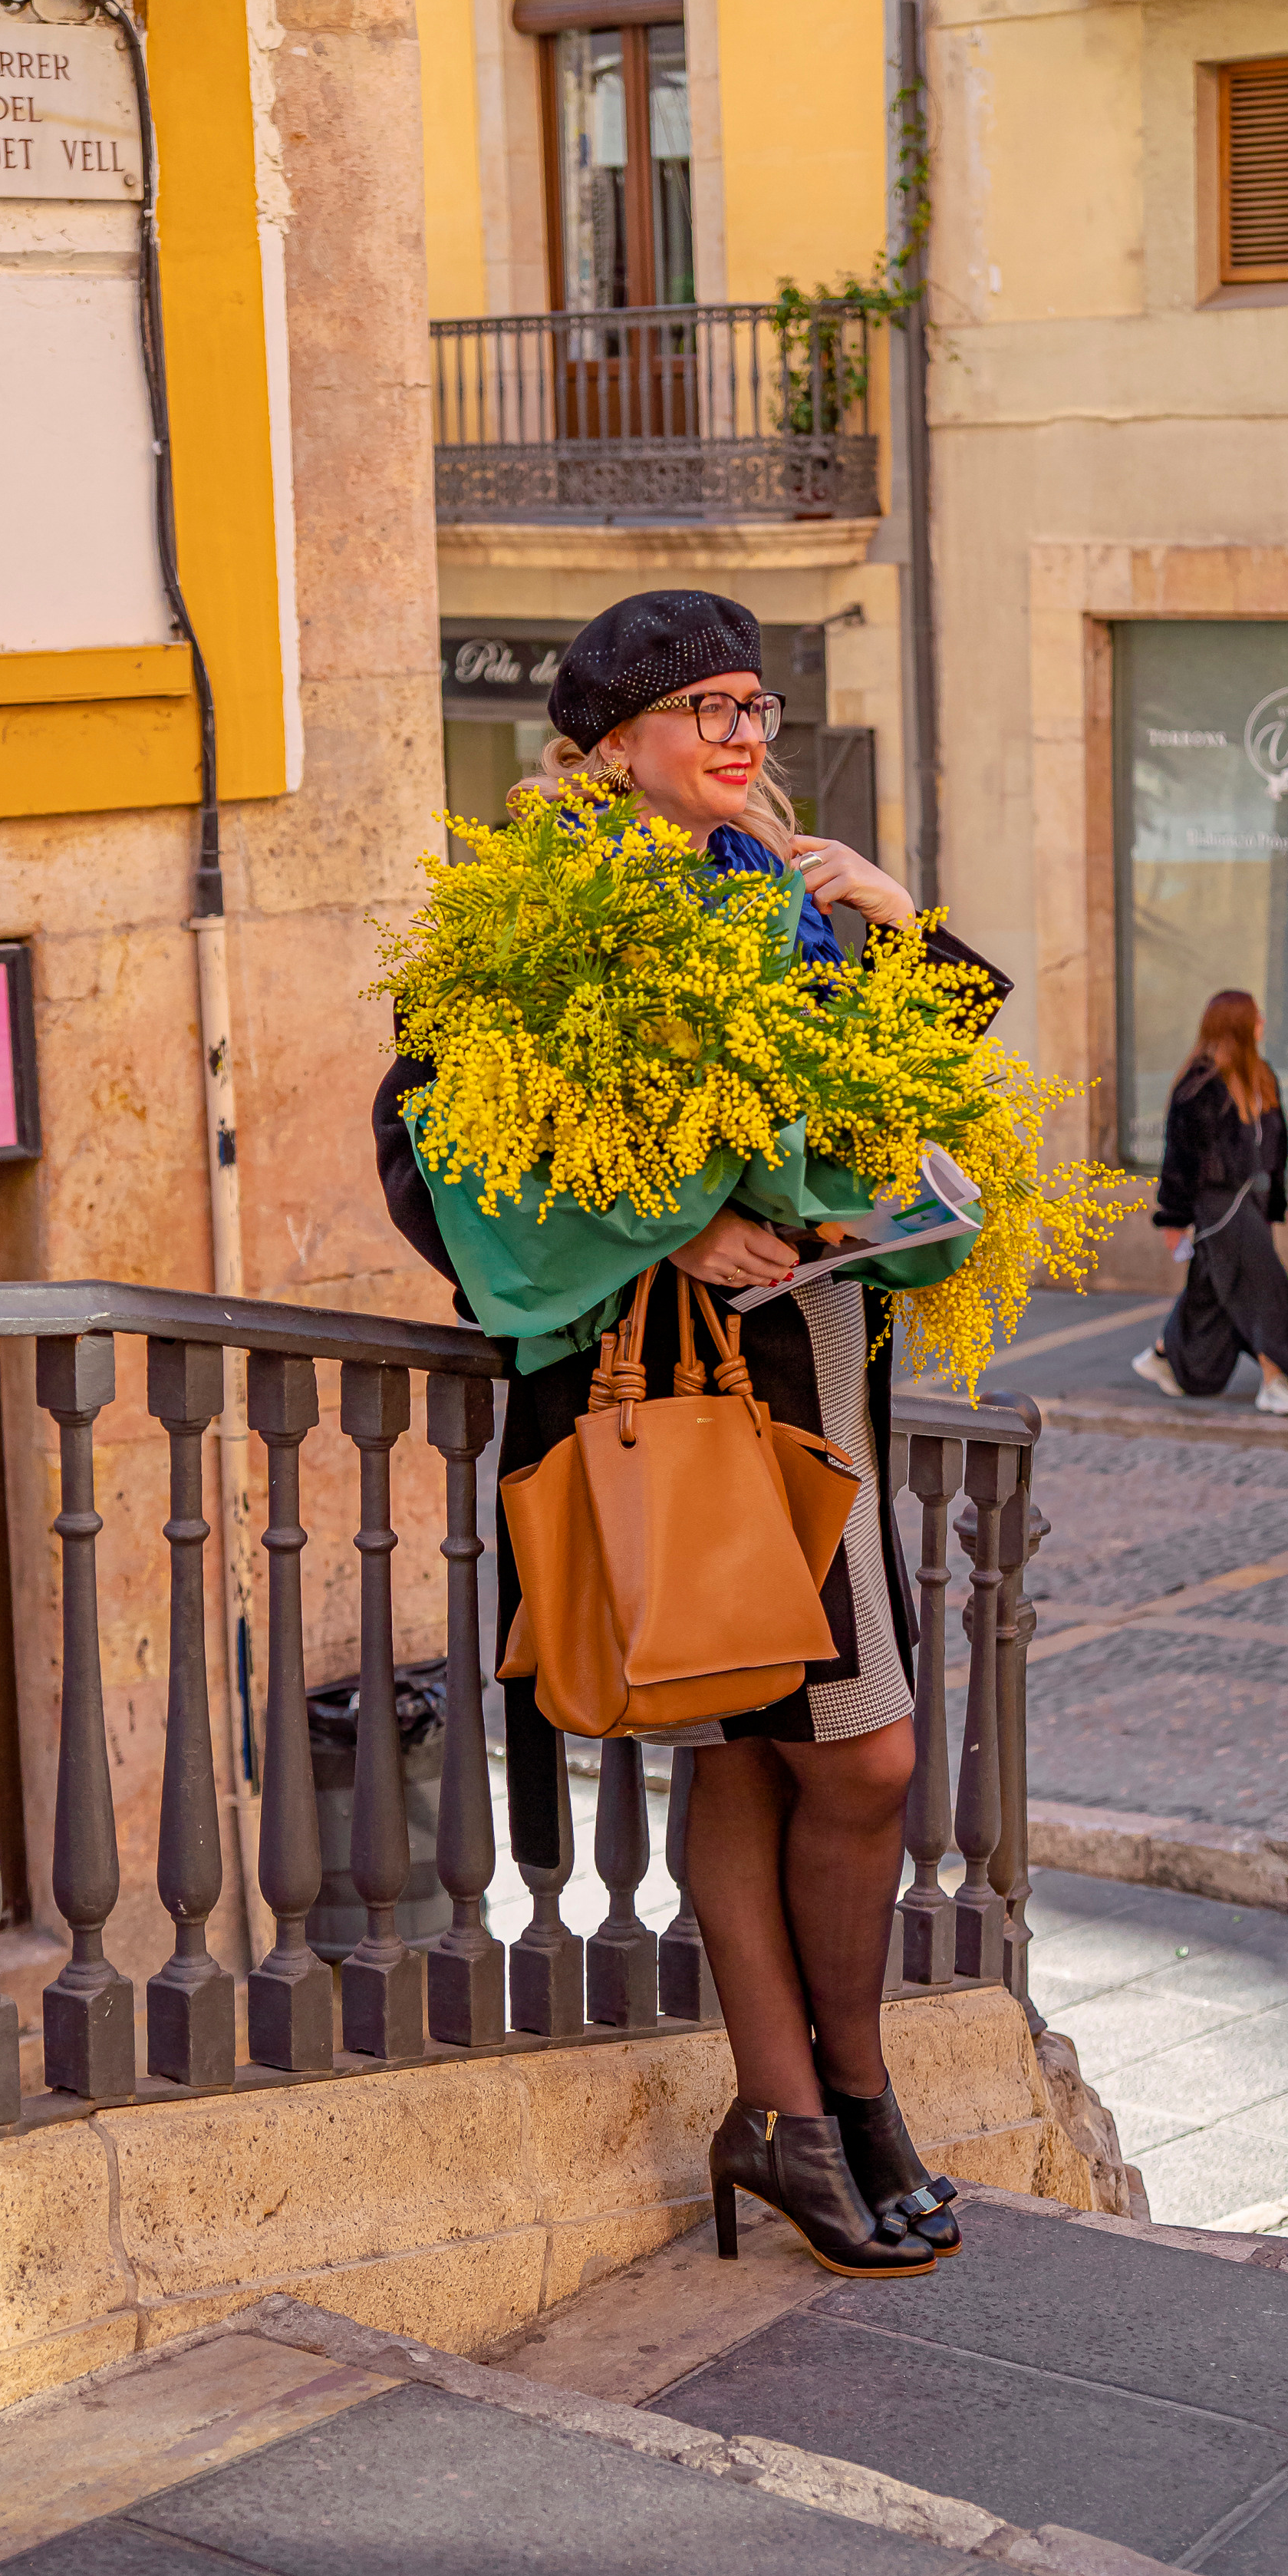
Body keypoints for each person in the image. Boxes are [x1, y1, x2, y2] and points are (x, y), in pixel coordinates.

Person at [374, 589, 1010, 2284]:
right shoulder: (542, 910)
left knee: (752, 1751)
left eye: (757, 708)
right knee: (861, 1758)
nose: (744, 735)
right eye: (707, 707)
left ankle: (795, 2118)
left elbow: (898, 1101)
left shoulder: (774, 892)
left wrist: (898, 928)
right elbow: (437, 1147)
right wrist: (667, 1230)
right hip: (691, 1398)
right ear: (611, 738)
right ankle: (847, 2100)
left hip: (812, 1368)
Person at [1133, 989, 1288, 1417]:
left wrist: (1274, 1203)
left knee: (1212, 1289)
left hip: (1253, 1201)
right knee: (1265, 1285)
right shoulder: (1199, 1085)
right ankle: (1275, 1381)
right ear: (1237, 1024)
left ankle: (1163, 1354)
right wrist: (1172, 1219)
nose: (1263, 1021)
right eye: (1256, 1016)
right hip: (1217, 1203)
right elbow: (1179, 1157)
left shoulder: (1263, 1075)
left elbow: (1277, 1145)